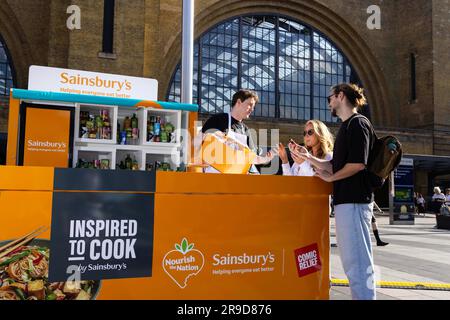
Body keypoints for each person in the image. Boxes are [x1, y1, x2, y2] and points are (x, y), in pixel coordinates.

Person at [294, 83, 377, 300]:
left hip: (355, 201)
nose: (329, 102)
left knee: (358, 261)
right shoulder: (346, 127)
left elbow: (358, 164)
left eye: (330, 98)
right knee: (351, 261)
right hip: (345, 202)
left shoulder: (358, 124)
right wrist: (309, 157)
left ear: (341, 96)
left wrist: (331, 178)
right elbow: (337, 167)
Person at [200, 89, 275, 173]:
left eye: (253, 107)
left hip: (236, 178)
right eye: (250, 105)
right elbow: (200, 139)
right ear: (239, 102)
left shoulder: (246, 130)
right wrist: (222, 136)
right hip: (214, 177)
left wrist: (265, 159)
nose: (252, 109)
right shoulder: (217, 119)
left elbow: (250, 157)